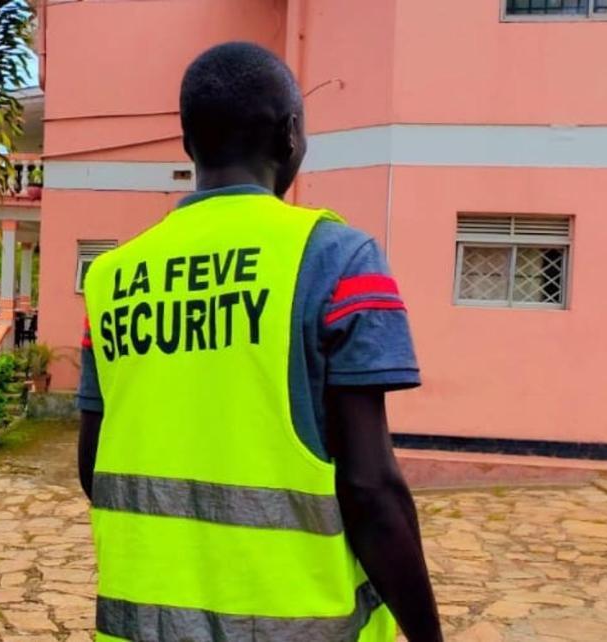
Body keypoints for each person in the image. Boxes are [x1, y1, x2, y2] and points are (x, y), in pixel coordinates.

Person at [76, 42, 442, 642]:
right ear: (290, 134)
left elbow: (96, 468)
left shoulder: (110, 278)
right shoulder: (336, 259)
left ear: (189, 143)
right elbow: (370, 488)